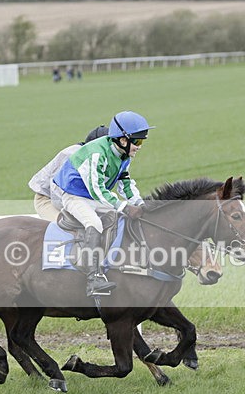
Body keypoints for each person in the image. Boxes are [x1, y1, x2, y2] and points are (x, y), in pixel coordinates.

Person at [53, 110, 153, 296]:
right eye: (138, 142)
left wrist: (139, 202)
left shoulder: (124, 156)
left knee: (118, 218)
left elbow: (125, 182)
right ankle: (93, 279)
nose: (140, 146)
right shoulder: (96, 153)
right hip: (74, 196)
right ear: (123, 140)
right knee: (95, 223)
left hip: (92, 197)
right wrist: (124, 206)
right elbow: (96, 189)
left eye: (142, 142)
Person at [28, 125, 109, 221]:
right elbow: (58, 192)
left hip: (75, 199)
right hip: (48, 199)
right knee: (68, 227)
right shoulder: (72, 156)